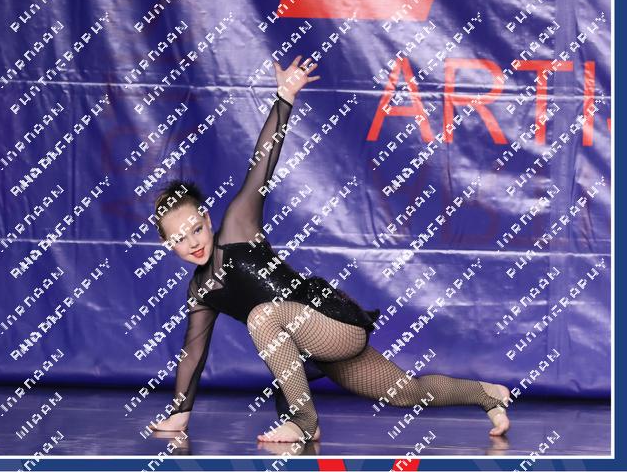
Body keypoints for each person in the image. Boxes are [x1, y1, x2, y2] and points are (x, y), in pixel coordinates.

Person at [150, 55, 511, 443]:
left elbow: (261, 164)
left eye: (196, 229)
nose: (193, 243)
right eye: (179, 239)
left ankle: (305, 422)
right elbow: (193, 353)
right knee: (407, 392)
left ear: (207, 218)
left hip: (331, 321)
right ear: (167, 245)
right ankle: (487, 395)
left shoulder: (238, 225)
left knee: (261, 316)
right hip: (309, 350)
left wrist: (285, 97)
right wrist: (179, 413)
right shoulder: (200, 290)